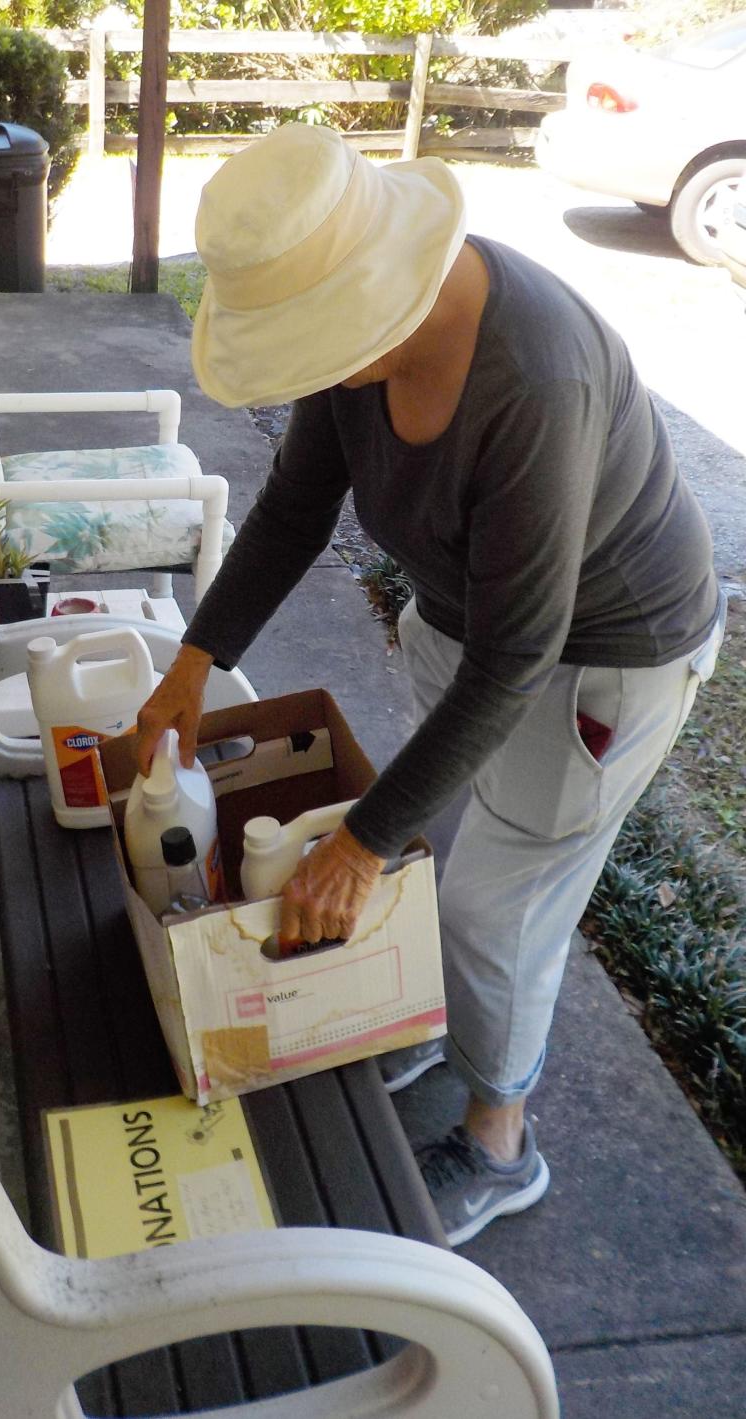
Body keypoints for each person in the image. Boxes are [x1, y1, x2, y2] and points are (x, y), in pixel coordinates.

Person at [135, 124, 724, 1246]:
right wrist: (194, 662)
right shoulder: (360, 332)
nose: (314, 369)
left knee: (495, 905)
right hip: (464, 622)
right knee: (438, 833)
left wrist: (358, 843)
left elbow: (524, 654)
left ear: (375, 289)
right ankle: (423, 1010)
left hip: (603, 658)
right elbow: (297, 507)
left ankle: (502, 1139)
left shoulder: (533, 377)